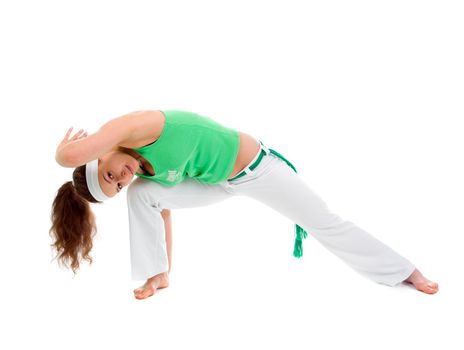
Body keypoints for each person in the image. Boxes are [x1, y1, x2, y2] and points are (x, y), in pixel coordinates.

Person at [50, 109, 439, 300]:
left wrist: (64, 150)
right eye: (117, 185)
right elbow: (160, 209)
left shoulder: (135, 127)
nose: (123, 177)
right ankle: (156, 275)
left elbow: (67, 160)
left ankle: (405, 272)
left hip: (258, 168)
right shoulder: (143, 175)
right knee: (144, 196)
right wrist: (164, 266)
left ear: (101, 155)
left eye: (111, 174)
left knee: (324, 221)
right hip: (219, 184)